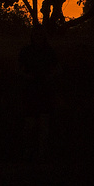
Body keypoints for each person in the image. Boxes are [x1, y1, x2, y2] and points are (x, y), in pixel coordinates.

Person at [18, 25, 59, 162]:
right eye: (36, 35)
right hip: (31, 92)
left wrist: (49, 77)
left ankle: (41, 154)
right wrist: (27, 77)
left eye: (40, 35)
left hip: (45, 92)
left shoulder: (49, 52)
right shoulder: (26, 52)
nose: (38, 38)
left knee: (44, 126)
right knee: (29, 125)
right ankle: (28, 152)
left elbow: (58, 69)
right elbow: (19, 70)